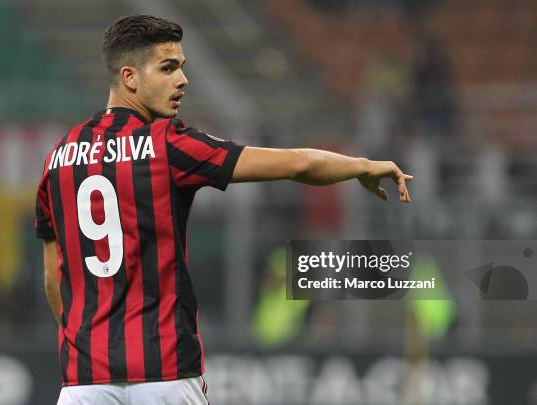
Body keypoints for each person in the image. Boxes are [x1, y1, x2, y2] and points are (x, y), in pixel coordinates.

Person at [34, 14, 413, 405]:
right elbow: (297, 164)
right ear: (130, 77)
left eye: (182, 67)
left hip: (84, 383)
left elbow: (53, 277)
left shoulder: (58, 159)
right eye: (168, 68)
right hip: (165, 374)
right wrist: (362, 166)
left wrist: (89, 346)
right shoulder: (168, 143)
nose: (183, 80)